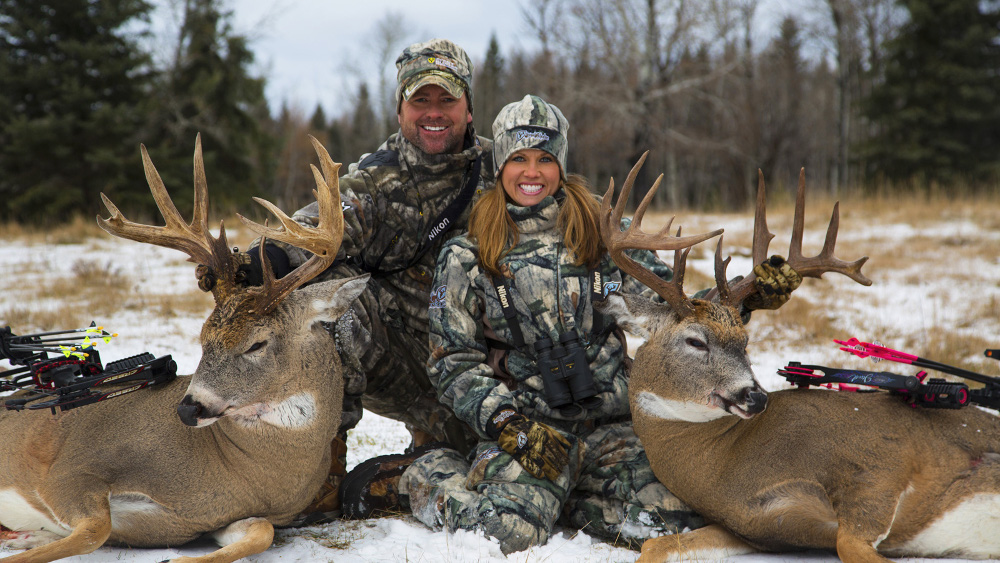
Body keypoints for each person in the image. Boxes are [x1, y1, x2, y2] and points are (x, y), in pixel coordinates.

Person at [337, 95, 802, 552]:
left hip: (610, 426)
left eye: (545, 158)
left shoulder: (608, 237)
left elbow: (678, 316)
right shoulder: (467, 253)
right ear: (500, 164)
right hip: (525, 430)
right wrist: (508, 425)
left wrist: (751, 294)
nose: (532, 172)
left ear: (560, 163)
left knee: (675, 519)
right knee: (506, 533)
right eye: (518, 158)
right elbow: (451, 363)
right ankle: (419, 476)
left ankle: (564, 494)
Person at [199, 38, 493, 518]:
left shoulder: (507, 170)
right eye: (420, 100)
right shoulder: (377, 181)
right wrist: (257, 259)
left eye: (447, 100)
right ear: (400, 110)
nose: (433, 113)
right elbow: (319, 227)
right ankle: (324, 469)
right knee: (332, 294)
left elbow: (570, 219)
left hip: (484, 364)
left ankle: (431, 446)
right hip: (404, 361)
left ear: (469, 108)